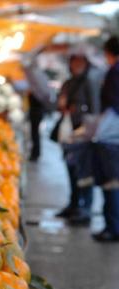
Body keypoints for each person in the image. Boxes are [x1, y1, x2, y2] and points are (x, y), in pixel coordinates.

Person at [56, 52, 103, 225]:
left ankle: (86, 209)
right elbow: (58, 102)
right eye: (74, 61)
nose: (76, 64)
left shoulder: (89, 82)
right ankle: (74, 204)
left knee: (84, 173)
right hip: (68, 132)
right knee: (71, 169)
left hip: (83, 134)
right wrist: (62, 107)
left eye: (80, 61)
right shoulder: (68, 83)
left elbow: (94, 109)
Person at [92, 36, 119, 241]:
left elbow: (110, 102)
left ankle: (113, 227)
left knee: (111, 182)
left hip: (112, 137)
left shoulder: (114, 72)